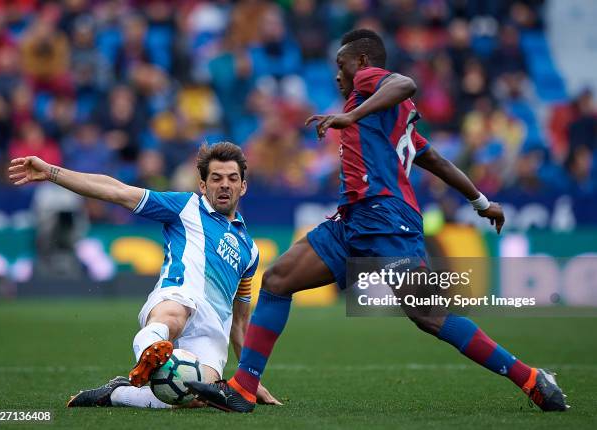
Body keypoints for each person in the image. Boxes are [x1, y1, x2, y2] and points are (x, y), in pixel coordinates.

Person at [187, 30, 568, 413]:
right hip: (353, 221)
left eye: (342, 66)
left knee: (428, 315)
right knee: (278, 279)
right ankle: (244, 388)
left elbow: (406, 82)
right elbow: (436, 161)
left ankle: (531, 378)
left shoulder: (370, 88)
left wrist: (350, 114)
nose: (338, 76)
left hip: (387, 221)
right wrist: (481, 200)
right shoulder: (390, 119)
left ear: (364, 64)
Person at [8, 142, 280, 408]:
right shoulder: (185, 207)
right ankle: (150, 348)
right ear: (203, 185)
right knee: (173, 316)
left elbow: (240, 326)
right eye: (216, 178)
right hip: (179, 295)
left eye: (232, 178)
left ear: (242, 186)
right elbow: (117, 191)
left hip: (212, 329)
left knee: (192, 398)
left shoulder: (251, 252)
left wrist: (249, 381)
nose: (224, 184)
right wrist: (52, 173)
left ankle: (116, 394)